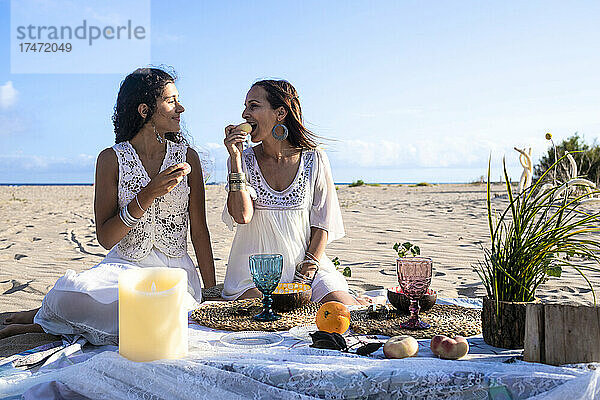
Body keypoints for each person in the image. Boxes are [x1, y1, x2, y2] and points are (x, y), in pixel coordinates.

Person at [0, 68, 216, 343]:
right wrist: (147, 195)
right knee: (67, 295)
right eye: (171, 100)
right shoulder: (110, 159)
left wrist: (211, 293)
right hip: (122, 271)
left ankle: (43, 321)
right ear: (144, 109)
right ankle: (46, 316)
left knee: (163, 314)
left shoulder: (188, 158)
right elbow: (105, 238)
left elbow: (199, 230)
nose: (181, 108)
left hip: (174, 278)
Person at [222, 79, 358, 305]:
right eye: (245, 106)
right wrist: (236, 159)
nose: (245, 113)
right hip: (254, 275)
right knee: (264, 315)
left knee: (343, 308)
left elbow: (322, 224)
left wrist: (305, 274)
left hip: (307, 268)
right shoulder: (242, 160)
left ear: (280, 113)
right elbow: (241, 216)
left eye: (253, 106)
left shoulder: (314, 159)